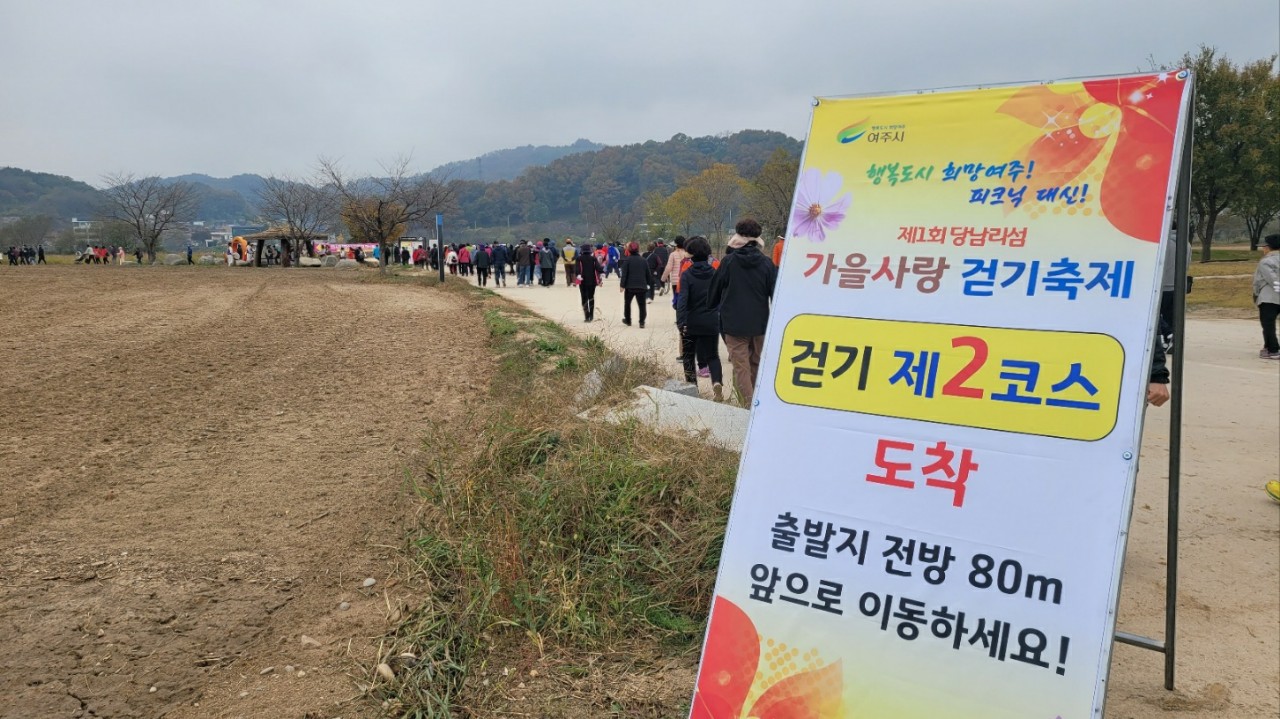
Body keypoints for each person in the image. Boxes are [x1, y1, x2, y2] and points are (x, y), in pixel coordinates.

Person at [709, 218, 777, 405]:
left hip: (733, 322)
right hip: (760, 322)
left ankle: (747, 406)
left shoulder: (729, 262)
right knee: (755, 362)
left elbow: (714, 291)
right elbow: (775, 294)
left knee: (741, 367)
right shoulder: (767, 263)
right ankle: (756, 403)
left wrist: (712, 305)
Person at [677, 236, 725, 401]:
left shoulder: (687, 274)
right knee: (713, 355)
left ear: (690, 254)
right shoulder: (715, 273)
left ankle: (693, 389)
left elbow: (682, 300)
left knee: (689, 356)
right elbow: (720, 298)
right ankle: (717, 382)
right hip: (711, 320)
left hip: (692, 321)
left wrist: (681, 322)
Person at [1253, 234, 1280, 360]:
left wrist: (1256, 294)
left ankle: (1273, 349)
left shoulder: (1266, 262)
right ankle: (1268, 346)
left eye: (1264, 246)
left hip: (1269, 297)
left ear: (1268, 247)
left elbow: (1265, 280)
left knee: (1268, 324)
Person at [618, 241, 651, 327]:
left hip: (630, 286)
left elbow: (624, 274)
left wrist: (622, 285)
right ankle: (642, 322)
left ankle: (628, 320)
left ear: (629, 249)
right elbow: (648, 274)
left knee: (627, 303)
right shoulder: (644, 260)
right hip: (642, 285)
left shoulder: (627, 260)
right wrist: (649, 283)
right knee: (642, 304)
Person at [575, 241, 603, 322]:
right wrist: (602, 273)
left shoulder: (579, 258)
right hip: (592, 282)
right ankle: (591, 316)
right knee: (591, 298)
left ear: (582, 250)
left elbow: (577, 269)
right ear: (590, 250)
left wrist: (578, 275)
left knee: (584, 299)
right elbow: (598, 268)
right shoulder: (593, 258)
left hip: (582, 281)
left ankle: (586, 317)